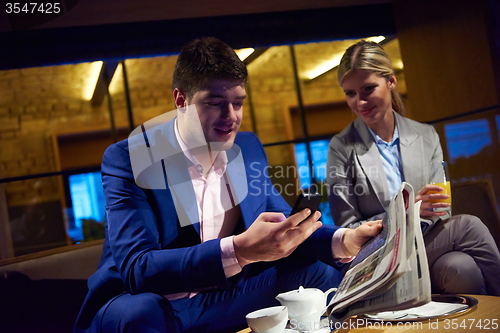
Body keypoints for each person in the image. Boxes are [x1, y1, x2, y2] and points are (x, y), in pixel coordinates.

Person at [74, 37, 383, 333]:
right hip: (157, 303)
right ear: (181, 101)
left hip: (222, 296)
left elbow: (283, 221)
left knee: (319, 271)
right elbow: (138, 269)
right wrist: (239, 250)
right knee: (141, 314)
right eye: (215, 103)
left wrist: (346, 239)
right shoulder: (132, 157)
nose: (231, 116)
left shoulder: (246, 149)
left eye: (238, 103)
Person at [326, 40, 500, 296]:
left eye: (368, 89)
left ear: (391, 82)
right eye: (350, 93)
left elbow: (442, 208)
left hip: (426, 246)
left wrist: (422, 212)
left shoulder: (426, 135)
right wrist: (408, 211)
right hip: (376, 258)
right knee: (468, 226)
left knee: (461, 269)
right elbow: (348, 231)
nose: (359, 101)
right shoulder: (341, 147)